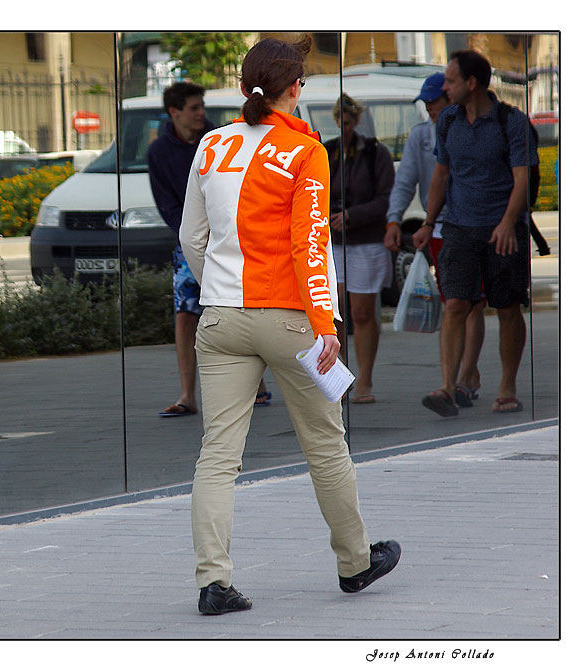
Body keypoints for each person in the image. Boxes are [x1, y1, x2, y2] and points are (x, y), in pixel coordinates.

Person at [179, 36, 400, 616]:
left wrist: (219, 292)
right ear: (292, 89)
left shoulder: (212, 143)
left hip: (222, 319)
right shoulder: (306, 151)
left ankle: (213, 581)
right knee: (326, 444)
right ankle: (354, 563)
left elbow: (190, 240)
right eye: (301, 80)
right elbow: (311, 245)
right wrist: (326, 325)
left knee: (217, 453)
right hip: (290, 320)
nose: (304, 88)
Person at [414, 50, 537, 417]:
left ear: (471, 83)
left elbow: (522, 180)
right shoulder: (448, 120)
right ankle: (448, 388)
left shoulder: (511, 122)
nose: (445, 87)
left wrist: (506, 223)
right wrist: (426, 222)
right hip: (459, 227)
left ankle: (507, 387)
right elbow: (440, 176)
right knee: (455, 304)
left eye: (450, 81)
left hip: (504, 229)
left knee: (507, 307)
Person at [148, 82, 269, 418]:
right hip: (189, 241)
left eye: (202, 106)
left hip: (228, 238)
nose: (201, 113)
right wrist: (192, 234)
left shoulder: (217, 139)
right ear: (174, 112)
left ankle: (255, 386)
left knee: (238, 307)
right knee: (186, 315)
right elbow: (167, 204)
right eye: (194, 107)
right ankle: (188, 394)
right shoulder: (159, 152)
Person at [384, 73, 485, 408]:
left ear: (451, 97)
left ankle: (467, 376)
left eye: (435, 103)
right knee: (455, 304)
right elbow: (406, 181)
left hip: (477, 225)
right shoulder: (421, 135)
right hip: (441, 229)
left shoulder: (472, 128)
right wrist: (394, 219)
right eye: (425, 104)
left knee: (473, 305)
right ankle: (453, 381)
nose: (430, 109)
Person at [324, 94, 395, 404]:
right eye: (341, 119)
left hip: (366, 241)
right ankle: (339, 377)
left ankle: (365, 377)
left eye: (350, 118)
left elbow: (385, 198)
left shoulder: (376, 153)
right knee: (334, 314)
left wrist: (353, 215)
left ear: (358, 120)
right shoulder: (328, 151)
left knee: (362, 312)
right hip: (335, 241)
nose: (346, 124)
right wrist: (328, 216)